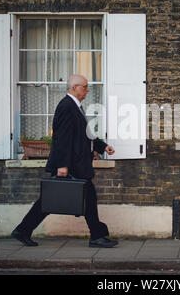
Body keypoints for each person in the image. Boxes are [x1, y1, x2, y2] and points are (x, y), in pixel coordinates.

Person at [11, 74, 118, 248]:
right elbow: (62, 139)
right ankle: (96, 236)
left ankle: (23, 230)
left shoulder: (75, 106)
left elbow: (85, 135)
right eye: (85, 86)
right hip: (71, 164)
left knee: (80, 200)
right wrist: (63, 165)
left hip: (76, 164)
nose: (88, 89)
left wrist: (103, 146)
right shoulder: (66, 106)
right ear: (74, 88)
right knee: (51, 201)